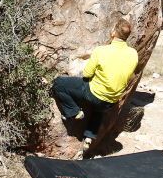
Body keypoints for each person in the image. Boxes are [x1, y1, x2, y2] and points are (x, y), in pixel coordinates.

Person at [52, 19, 138, 151]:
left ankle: (74, 112)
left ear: (113, 32)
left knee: (59, 83)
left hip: (93, 94)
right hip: (111, 101)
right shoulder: (133, 54)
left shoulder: (101, 51)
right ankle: (89, 137)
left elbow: (86, 74)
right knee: (99, 108)